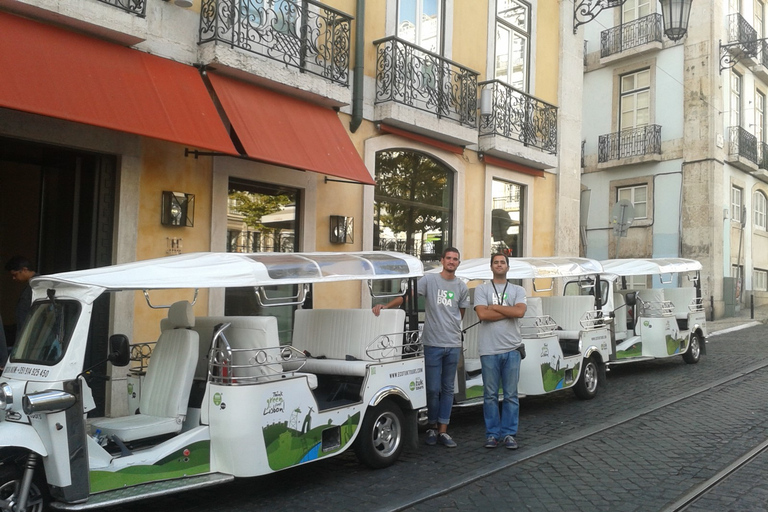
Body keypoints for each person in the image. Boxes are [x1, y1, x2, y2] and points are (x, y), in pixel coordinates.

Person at [373, 247, 469, 448]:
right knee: (432, 389)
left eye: (455, 259)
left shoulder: (461, 286)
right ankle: (432, 427)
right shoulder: (429, 280)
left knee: (448, 389)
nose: (452, 261)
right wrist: (386, 306)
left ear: (458, 263)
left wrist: (450, 327)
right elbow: (408, 296)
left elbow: (460, 313)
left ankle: (443, 430)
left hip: (453, 344)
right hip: (432, 343)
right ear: (442, 260)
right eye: (448, 258)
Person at [473, 252, 527, 450]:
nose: (499, 265)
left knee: (511, 395)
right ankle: (492, 434)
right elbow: (482, 314)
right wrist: (508, 311)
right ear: (491, 266)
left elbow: (520, 312)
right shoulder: (481, 289)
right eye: (496, 262)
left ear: (508, 267)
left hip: (512, 349)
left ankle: (509, 434)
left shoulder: (517, 289)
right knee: (490, 395)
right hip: (489, 350)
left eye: (502, 262)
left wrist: (494, 307)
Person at [5, 256, 36, 345]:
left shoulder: (38, 286)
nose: (14, 278)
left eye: (15, 275)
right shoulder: (31, 286)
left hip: (33, 339)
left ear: (24, 270)